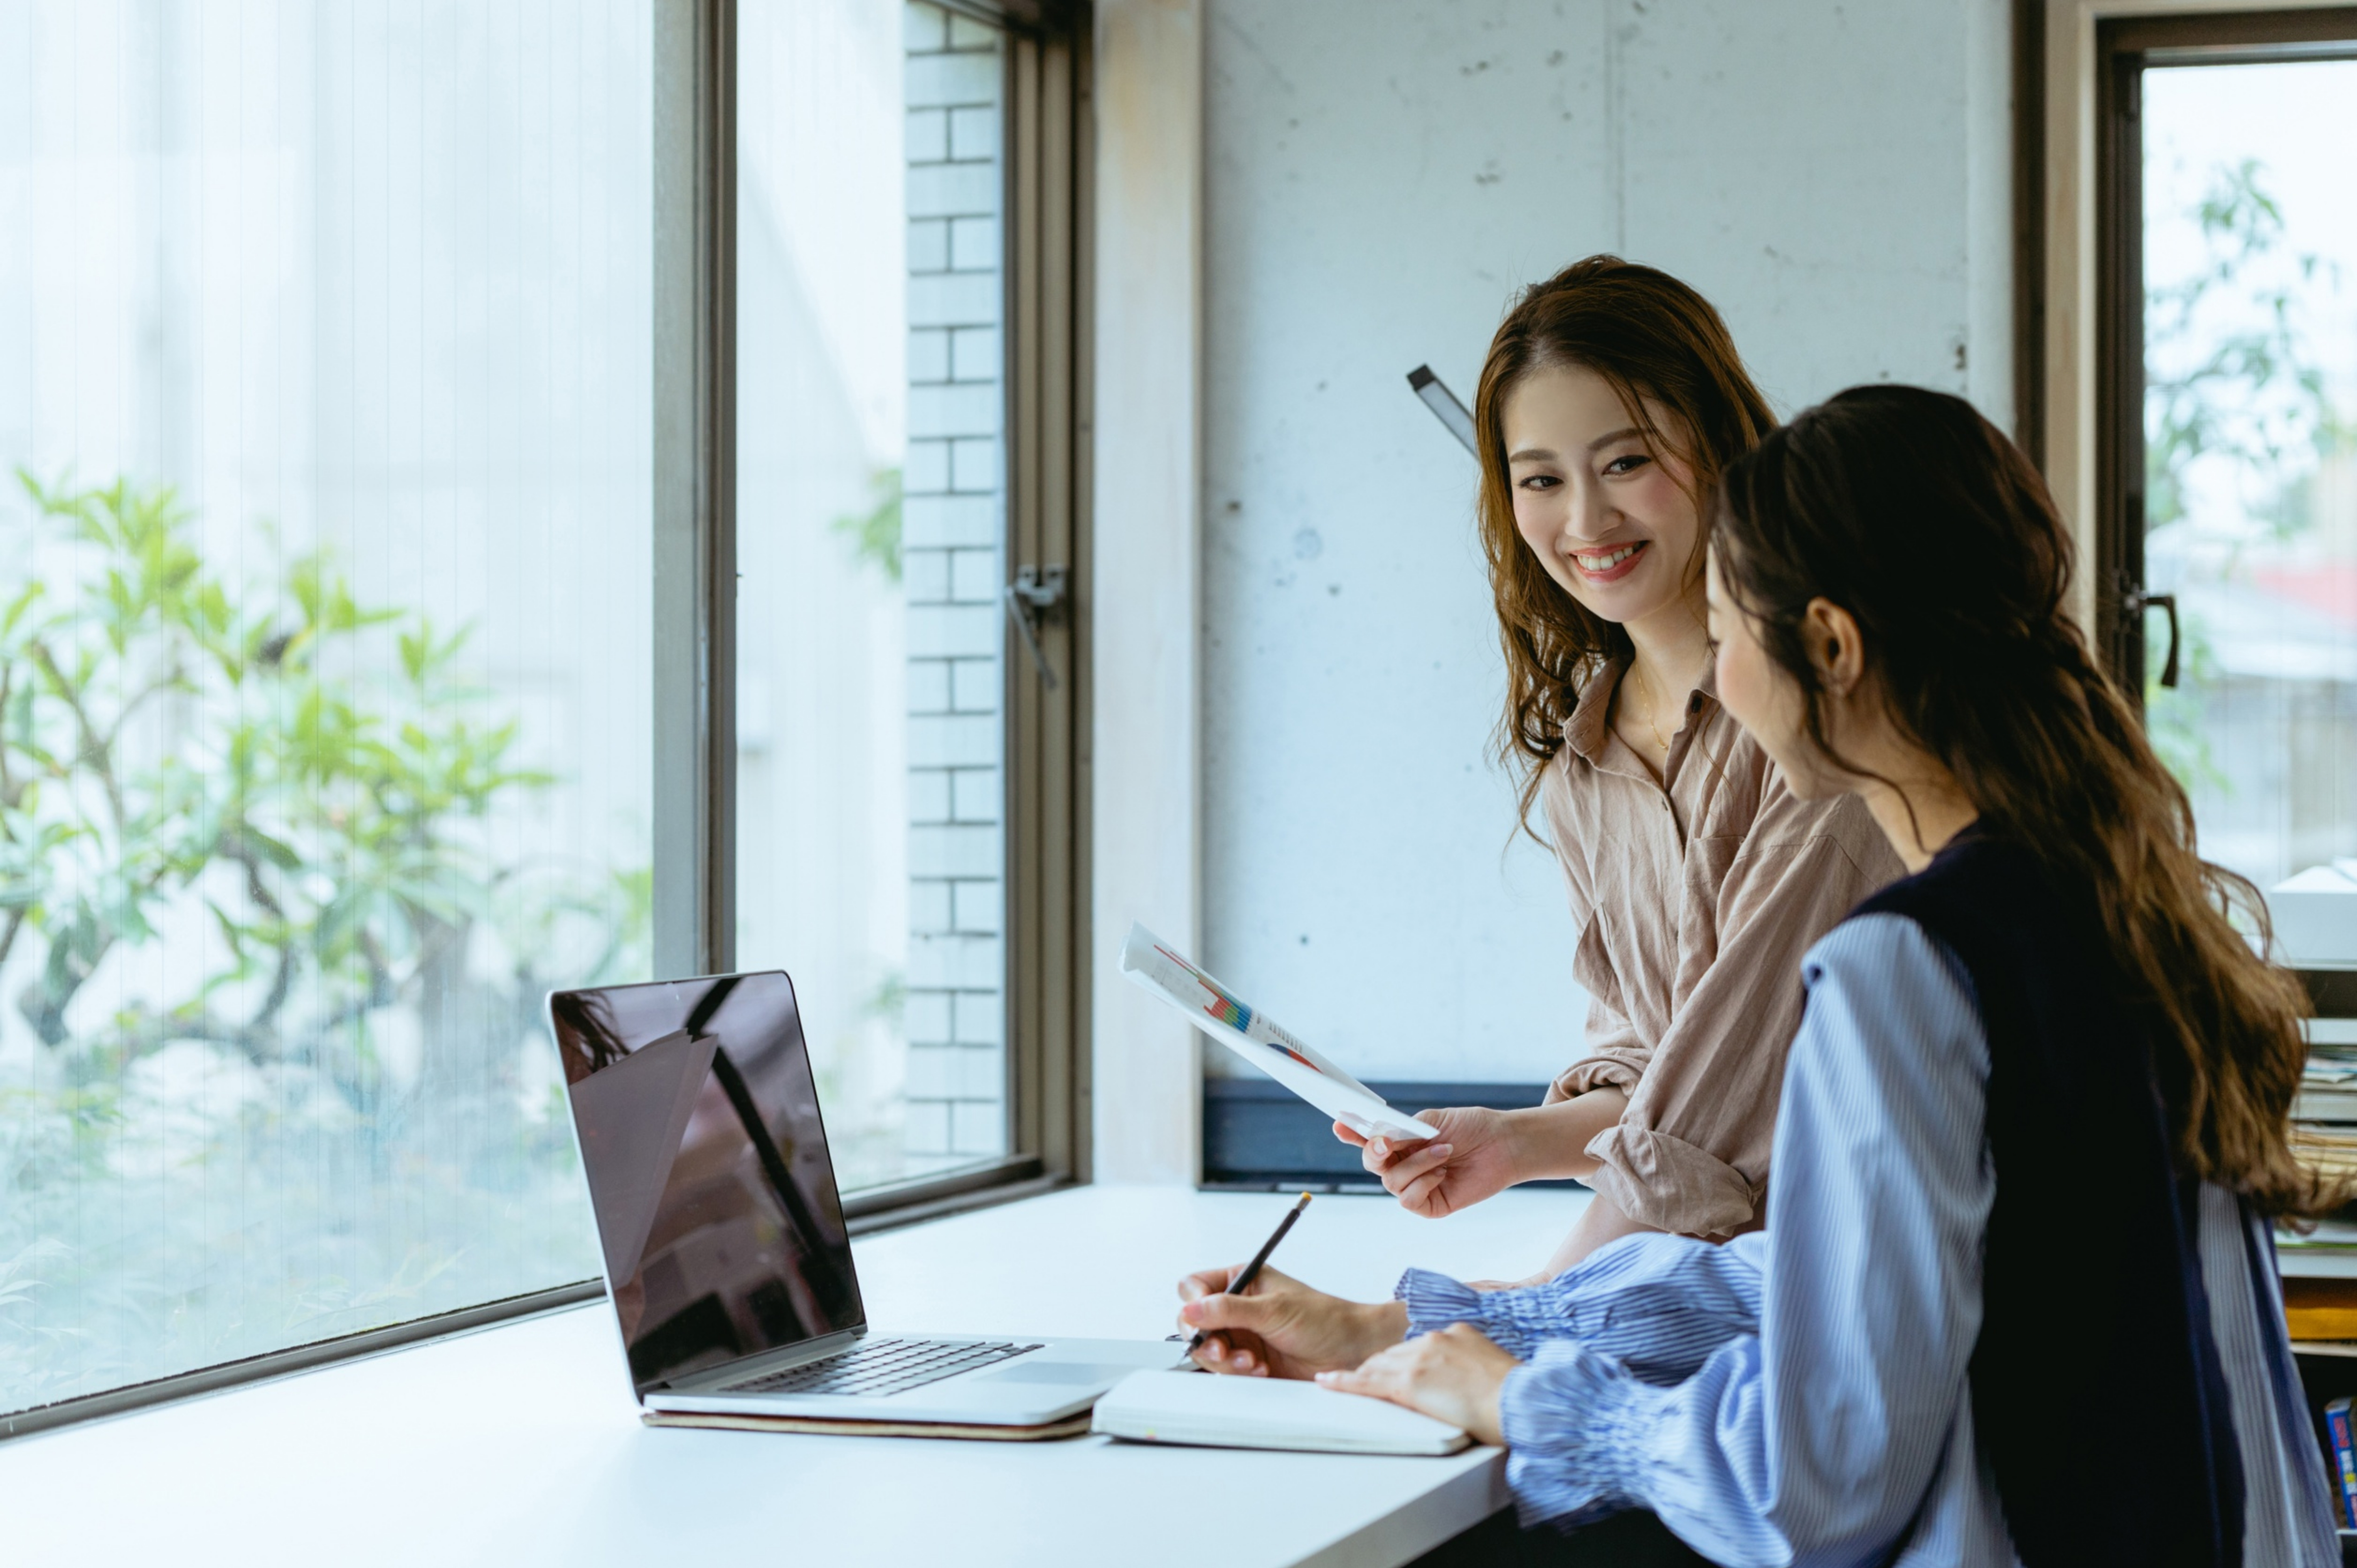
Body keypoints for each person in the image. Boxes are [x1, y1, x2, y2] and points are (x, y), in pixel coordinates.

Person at [1180, 385, 2341, 1565]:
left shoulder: (1906, 966)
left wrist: (1522, 1401)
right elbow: (1817, 1284)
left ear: (1828, 647)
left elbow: (1814, 1482)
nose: (1716, 676)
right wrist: (1429, 1326)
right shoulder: (2119, 907)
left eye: (1727, 631)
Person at [1337, 256, 1900, 1273]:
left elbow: (1725, 1099)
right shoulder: (1584, 757)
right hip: (1719, 1283)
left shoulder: (1824, 713)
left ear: (1717, 447)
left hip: (1868, 1275)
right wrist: (1515, 1142)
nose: (1585, 523)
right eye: (1541, 478)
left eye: (1626, 461)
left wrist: (1487, 1320)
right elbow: (1657, 1051)